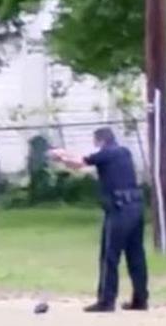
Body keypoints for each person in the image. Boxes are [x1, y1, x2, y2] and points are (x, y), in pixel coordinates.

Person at [50, 128, 148, 313]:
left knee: (109, 256)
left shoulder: (106, 154)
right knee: (136, 255)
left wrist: (61, 157)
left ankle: (106, 301)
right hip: (136, 207)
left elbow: (79, 163)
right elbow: (87, 159)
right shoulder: (123, 152)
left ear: (99, 140)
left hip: (119, 209)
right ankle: (140, 299)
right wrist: (65, 155)